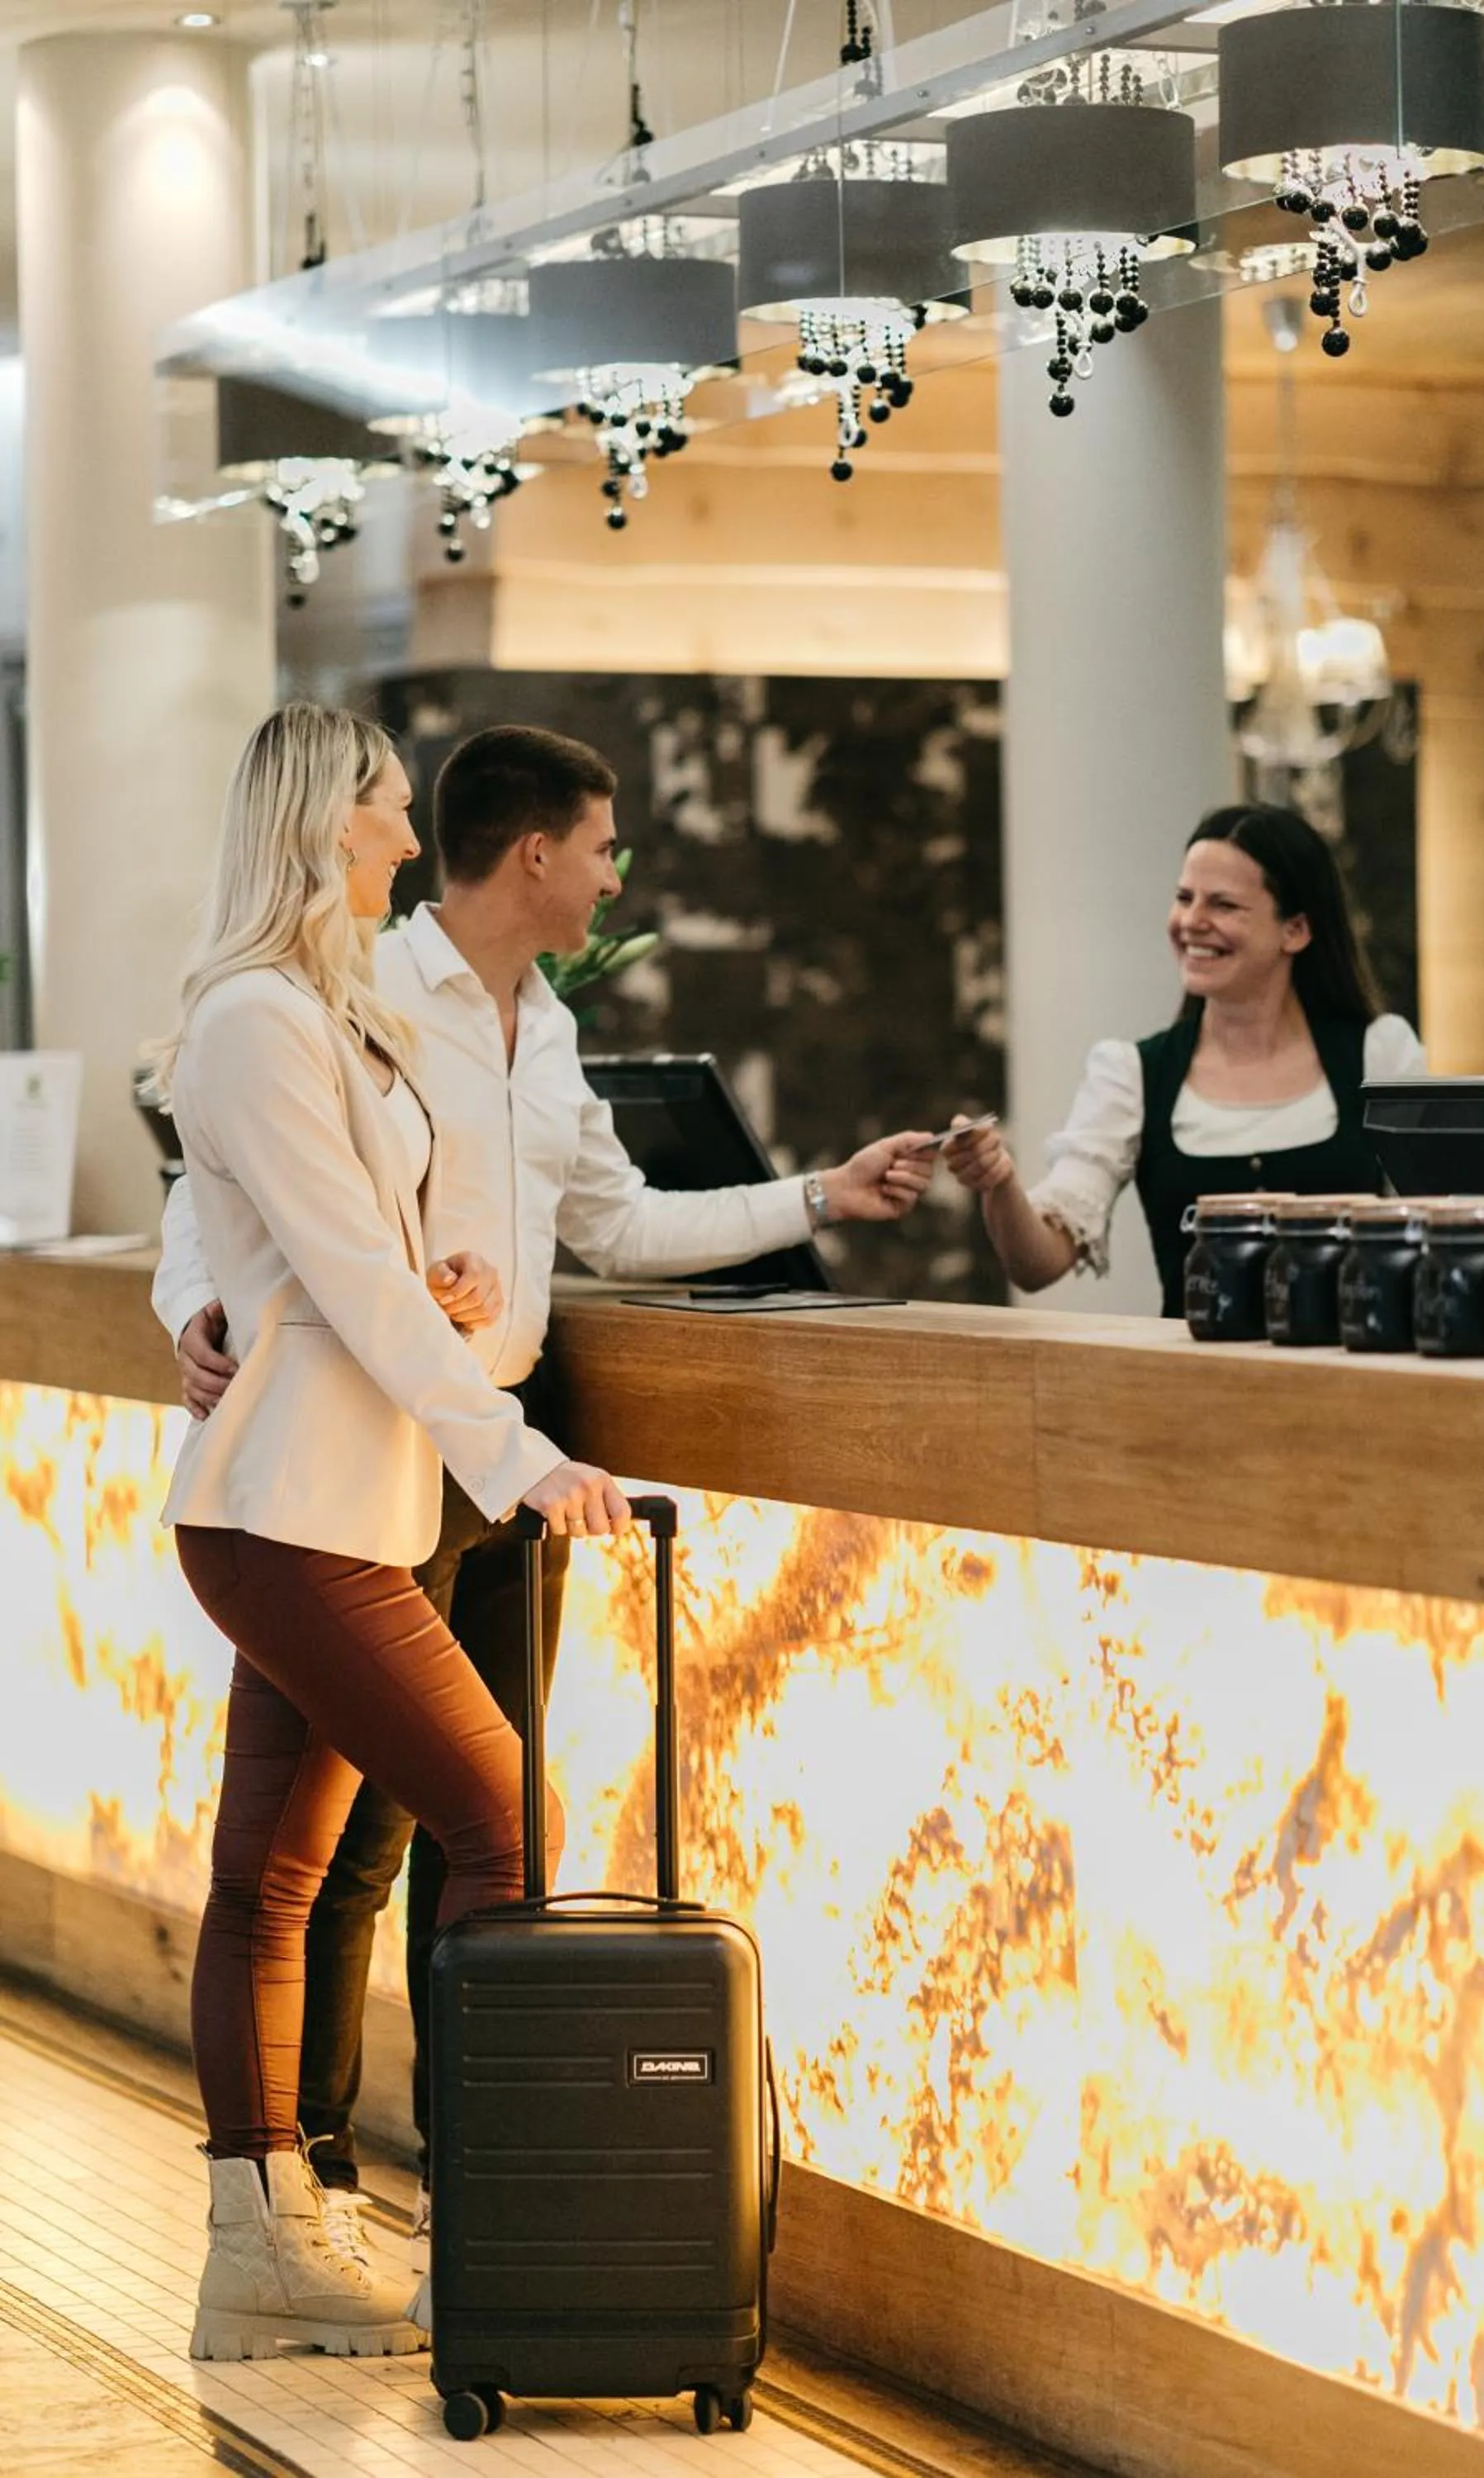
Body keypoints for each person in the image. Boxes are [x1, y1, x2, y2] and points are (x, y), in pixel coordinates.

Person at [153, 719, 938, 2276]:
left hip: (419, 1457)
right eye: (381, 798)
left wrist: (815, 1199)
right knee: (413, 1838)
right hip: (363, 1466)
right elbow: (264, 1225)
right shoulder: (324, 1003)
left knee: (317, 1861)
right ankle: (375, 2192)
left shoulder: (469, 1020)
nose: (614, 870)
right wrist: (226, 1309)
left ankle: (341, 2221)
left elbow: (556, 1232)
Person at [149, 701, 645, 2363]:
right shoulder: (251, 1021)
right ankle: (479, 2228)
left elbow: (367, 1251)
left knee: (272, 1884)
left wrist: (452, 1283)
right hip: (287, 1507)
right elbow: (336, 1276)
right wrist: (512, 1450)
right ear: (319, 822)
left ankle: (266, 2256)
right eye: (378, 808)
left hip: (337, 1502)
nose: (403, 836)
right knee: (501, 1814)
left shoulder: (326, 1012)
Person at [946, 803, 1424, 1315]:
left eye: (1223, 905)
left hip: (1351, 1386)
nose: (1192, 922)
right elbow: (1037, 1266)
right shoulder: (1134, 1073)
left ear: (1296, 930)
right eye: (1184, 898)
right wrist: (999, 1185)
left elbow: (1439, 1223)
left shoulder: (1379, 1054)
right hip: (1191, 1388)